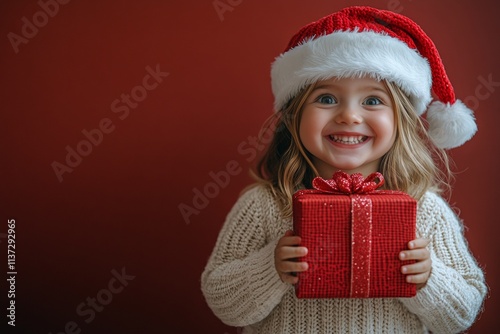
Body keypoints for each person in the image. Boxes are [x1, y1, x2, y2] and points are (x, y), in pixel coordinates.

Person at [201, 6, 487, 333]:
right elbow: (223, 302)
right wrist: (271, 268)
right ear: (294, 116)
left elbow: (462, 314)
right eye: (326, 99)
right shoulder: (264, 205)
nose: (349, 116)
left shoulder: (425, 210)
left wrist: (429, 277)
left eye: (373, 101)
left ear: (401, 121)